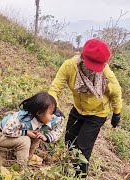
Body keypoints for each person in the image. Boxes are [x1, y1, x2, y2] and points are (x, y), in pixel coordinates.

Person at [49, 39, 122, 177]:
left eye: (97, 66)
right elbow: (55, 88)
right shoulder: (69, 66)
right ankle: (66, 168)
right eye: (90, 65)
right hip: (78, 109)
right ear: (82, 57)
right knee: (69, 140)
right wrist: (54, 106)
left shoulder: (106, 73)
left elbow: (116, 92)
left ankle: (80, 176)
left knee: (83, 147)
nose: (93, 70)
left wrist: (117, 113)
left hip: (97, 113)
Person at [0, 91, 63, 166]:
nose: (52, 116)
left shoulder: (54, 118)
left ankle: (29, 156)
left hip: (14, 133)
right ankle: (21, 165)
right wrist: (25, 132)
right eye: (51, 113)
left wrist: (47, 137)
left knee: (38, 134)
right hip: (1, 135)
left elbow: (59, 128)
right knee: (25, 140)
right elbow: (7, 131)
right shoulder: (21, 119)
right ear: (39, 113)